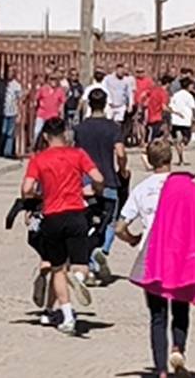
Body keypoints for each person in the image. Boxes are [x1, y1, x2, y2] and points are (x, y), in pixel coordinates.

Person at [20, 118, 105, 334]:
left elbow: (27, 188)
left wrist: (40, 195)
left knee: (57, 268)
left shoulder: (38, 159)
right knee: (81, 263)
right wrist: (93, 191)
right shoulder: (78, 154)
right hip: (76, 213)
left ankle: (67, 317)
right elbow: (98, 177)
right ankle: (78, 278)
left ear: (46, 136)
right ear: (65, 135)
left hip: (52, 216)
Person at [115, 140, 190, 378]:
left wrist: (132, 239)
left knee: (157, 315)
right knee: (180, 307)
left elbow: (119, 227)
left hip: (152, 254)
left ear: (148, 160)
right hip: (179, 252)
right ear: (171, 159)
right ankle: (178, 348)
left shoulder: (142, 189)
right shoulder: (184, 186)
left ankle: (160, 371)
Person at [74, 89, 128, 285]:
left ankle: (89, 263)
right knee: (111, 220)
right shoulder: (113, 128)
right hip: (108, 177)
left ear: (89, 103)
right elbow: (120, 153)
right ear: (105, 104)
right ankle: (102, 250)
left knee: (88, 222)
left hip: (86, 179)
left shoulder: (80, 128)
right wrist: (122, 169)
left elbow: (75, 153)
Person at [168, 78, 195, 166]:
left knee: (177, 141)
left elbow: (171, 106)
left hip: (175, 120)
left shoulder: (175, 95)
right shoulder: (189, 96)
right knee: (185, 140)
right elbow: (193, 108)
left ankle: (180, 157)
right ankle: (181, 155)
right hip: (185, 121)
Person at [34, 74, 66, 144]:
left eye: (55, 79)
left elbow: (62, 103)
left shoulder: (60, 90)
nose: (53, 81)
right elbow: (36, 99)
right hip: (42, 114)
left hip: (53, 115)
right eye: (51, 79)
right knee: (37, 132)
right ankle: (35, 147)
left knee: (53, 134)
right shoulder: (42, 89)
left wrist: (61, 114)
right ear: (48, 80)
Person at [2, 66, 23, 158]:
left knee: (10, 133)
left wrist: (19, 113)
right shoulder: (2, 84)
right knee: (3, 132)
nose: (9, 73)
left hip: (12, 111)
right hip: (2, 111)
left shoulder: (17, 85)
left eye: (11, 71)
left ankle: (7, 152)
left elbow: (20, 100)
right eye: (8, 71)